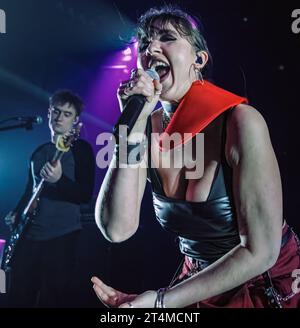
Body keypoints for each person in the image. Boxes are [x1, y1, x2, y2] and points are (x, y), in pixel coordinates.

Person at [92, 5, 300, 308]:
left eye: (167, 37)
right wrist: (131, 126)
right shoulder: (144, 130)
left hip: (265, 284)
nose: (150, 47)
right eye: (145, 42)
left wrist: (160, 303)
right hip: (199, 284)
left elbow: (261, 251)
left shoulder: (241, 122)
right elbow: (117, 227)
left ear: (198, 59)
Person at [4, 90, 95, 307]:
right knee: (18, 294)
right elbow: (30, 189)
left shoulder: (81, 149)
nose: (60, 118)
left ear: (75, 121)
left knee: (54, 298)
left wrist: (59, 179)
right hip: (29, 235)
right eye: (56, 111)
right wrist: (17, 212)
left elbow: (84, 194)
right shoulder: (39, 151)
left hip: (62, 236)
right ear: (48, 113)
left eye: (66, 114)